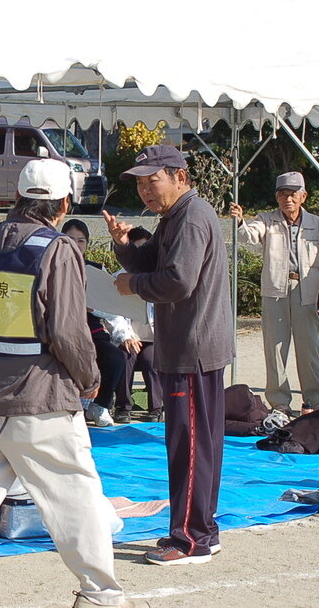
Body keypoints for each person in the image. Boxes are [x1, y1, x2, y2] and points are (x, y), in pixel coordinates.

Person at [0, 159, 142, 608]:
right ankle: (100, 594)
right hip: (41, 396)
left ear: (18, 196)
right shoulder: (58, 248)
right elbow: (68, 329)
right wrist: (89, 377)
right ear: (64, 203)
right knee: (76, 498)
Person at [105, 145, 233, 565]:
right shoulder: (177, 216)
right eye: (140, 184)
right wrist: (125, 245)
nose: (145, 190)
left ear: (179, 176)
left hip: (192, 347)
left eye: (152, 180)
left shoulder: (191, 217)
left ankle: (191, 539)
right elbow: (152, 261)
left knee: (189, 446)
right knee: (197, 444)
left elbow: (178, 281)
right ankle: (201, 530)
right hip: (192, 345)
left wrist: (133, 285)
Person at [230, 172, 319, 416]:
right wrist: (240, 221)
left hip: (307, 291)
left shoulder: (318, 224)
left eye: (293, 194)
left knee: (310, 348)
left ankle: (314, 400)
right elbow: (248, 235)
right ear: (276, 197)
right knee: (275, 348)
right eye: (282, 194)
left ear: (303, 196)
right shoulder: (267, 219)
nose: (288, 199)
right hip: (275, 290)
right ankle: (279, 401)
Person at [60, 219, 126, 427]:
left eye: (81, 240)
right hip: (61, 330)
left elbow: (109, 306)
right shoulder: (54, 265)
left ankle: (100, 405)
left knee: (115, 358)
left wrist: (92, 307)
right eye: (70, 239)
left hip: (91, 330)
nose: (76, 244)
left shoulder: (96, 270)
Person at [110, 226, 163, 423]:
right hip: (127, 337)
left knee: (151, 361)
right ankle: (123, 407)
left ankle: (156, 408)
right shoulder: (118, 278)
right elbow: (112, 313)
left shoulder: (159, 278)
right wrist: (125, 336)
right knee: (125, 357)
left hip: (152, 339)